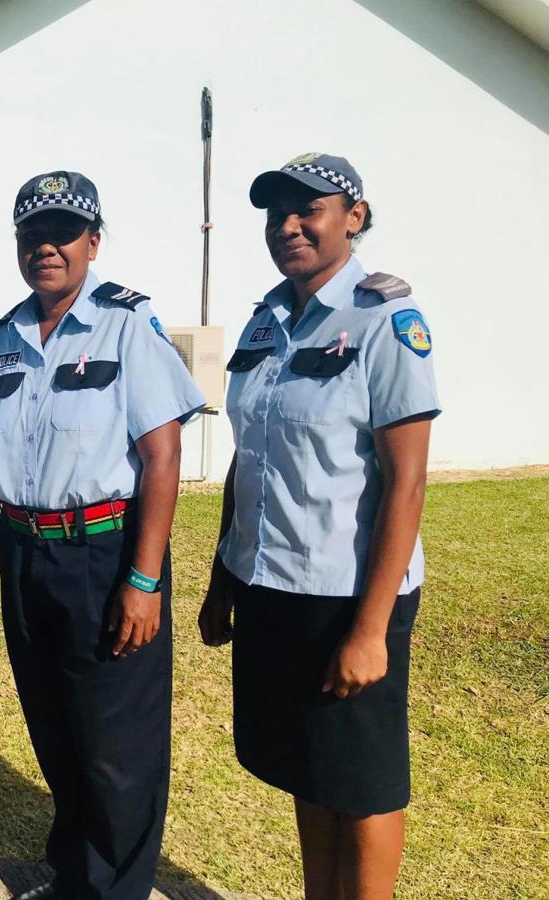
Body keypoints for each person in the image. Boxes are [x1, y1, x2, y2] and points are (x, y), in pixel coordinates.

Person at [0, 171, 206, 900]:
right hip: (24, 551)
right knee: (57, 729)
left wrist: (145, 579)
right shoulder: (4, 337)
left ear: (93, 241)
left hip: (105, 552)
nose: (47, 246)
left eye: (63, 232)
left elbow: (163, 455)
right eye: (32, 233)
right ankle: (73, 876)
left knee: (116, 748)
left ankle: (115, 890)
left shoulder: (127, 325)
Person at [199, 154, 439, 900]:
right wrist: (222, 580)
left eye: (311, 210)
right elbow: (251, 457)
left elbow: (407, 480)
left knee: (361, 782)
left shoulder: (384, 320)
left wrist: (370, 630)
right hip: (274, 584)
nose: (290, 226)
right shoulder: (267, 319)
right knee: (308, 766)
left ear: (354, 218)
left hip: (350, 593)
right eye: (277, 214)